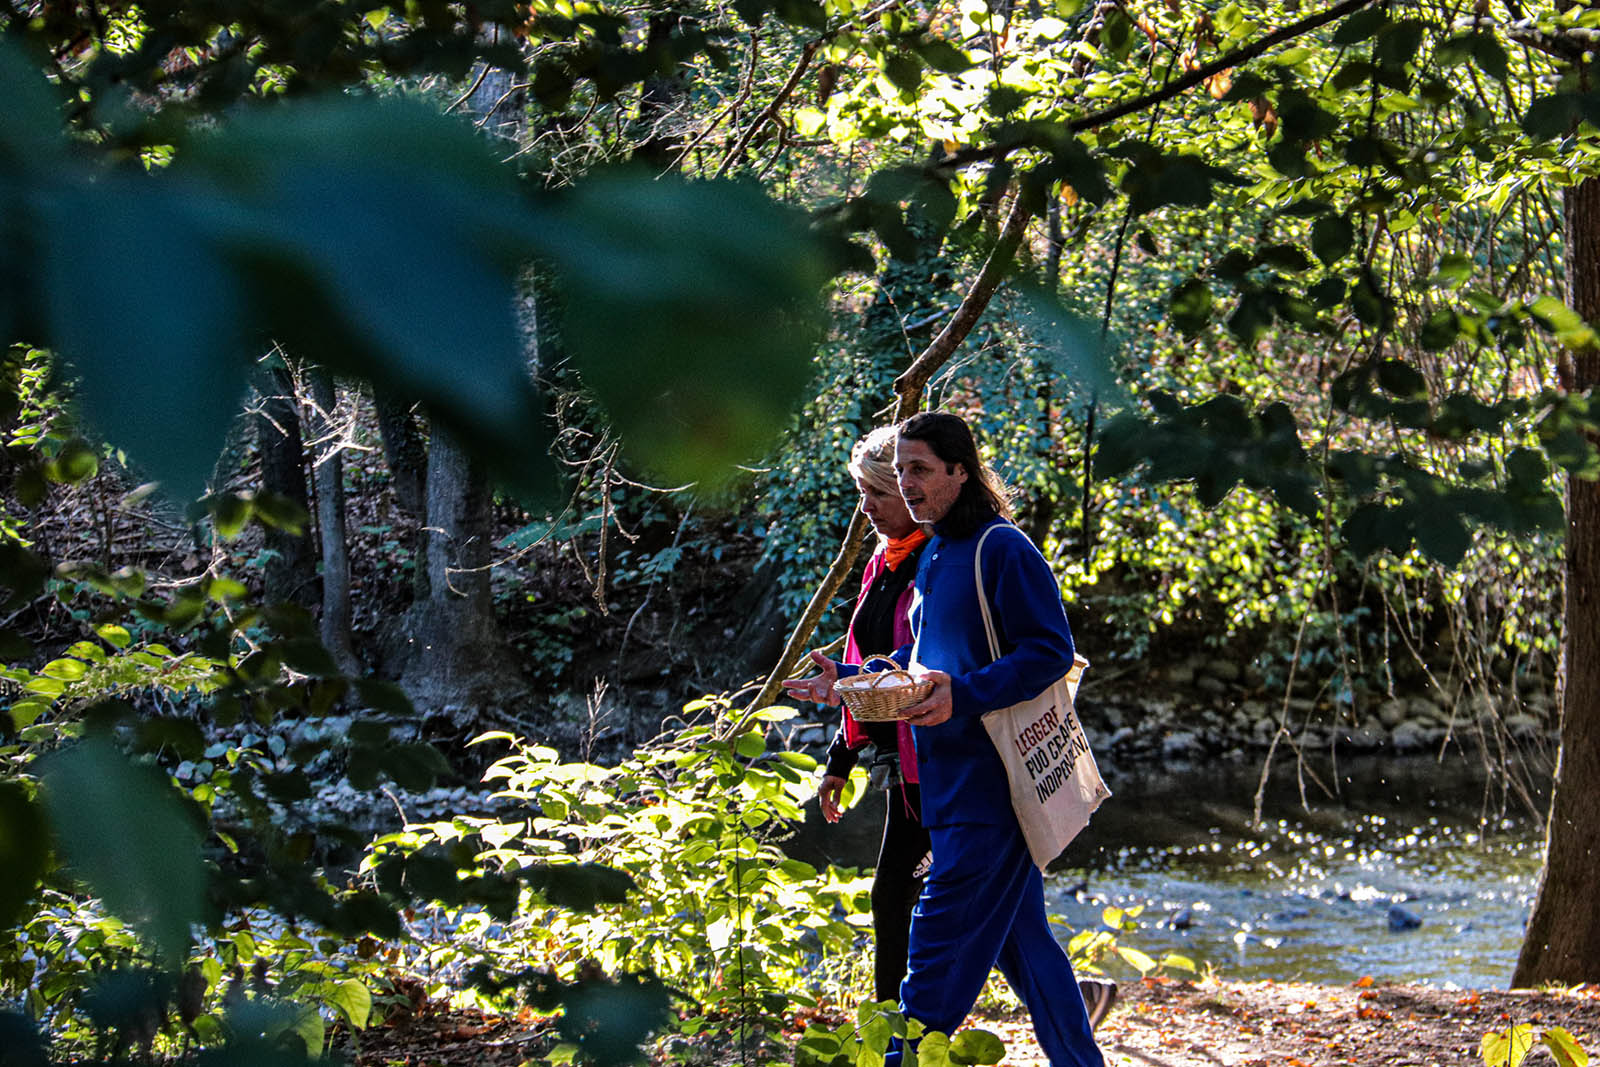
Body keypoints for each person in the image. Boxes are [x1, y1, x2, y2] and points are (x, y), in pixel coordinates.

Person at [791, 411, 1112, 1065]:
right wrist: (847, 682)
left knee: (927, 988)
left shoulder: (1003, 547)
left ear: (959, 471)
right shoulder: (934, 553)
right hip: (944, 791)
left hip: (991, 796)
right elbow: (917, 672)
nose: (907, 483)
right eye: (900, 468)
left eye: (920, 469)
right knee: (1029, 951)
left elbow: (1050, 651)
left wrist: (964, 694)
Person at [782, 426, 932, 1004]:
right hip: (904, 759)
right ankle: (1073, 998)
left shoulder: (939, 559)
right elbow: (859, 658)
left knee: (895, 893)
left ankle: (896, 1040)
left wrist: (849, 681)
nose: (865, 507)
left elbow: (917, 657)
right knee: (978, 897)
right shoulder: (883, 561)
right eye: (862, 493)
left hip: (943, 757)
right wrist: (840, 759)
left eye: (878, 493)